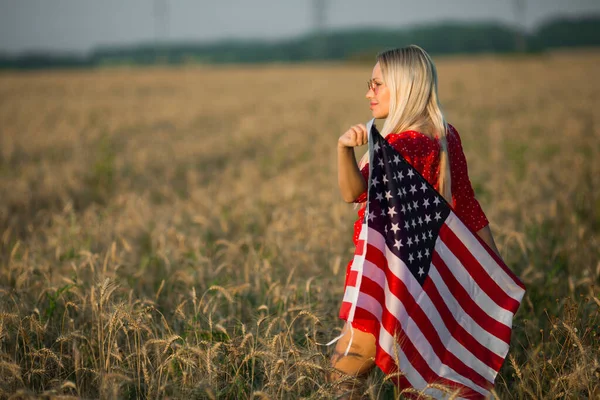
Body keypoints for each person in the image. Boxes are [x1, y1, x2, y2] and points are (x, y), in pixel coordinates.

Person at [331, 45, 501, 397]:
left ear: (404, 85)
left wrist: (343, 149)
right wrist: (493, 272)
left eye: (377, 84)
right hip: (430, 276)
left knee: (346, 370)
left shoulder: (397, 146)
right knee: (427, 376)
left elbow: (352, 193)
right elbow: (467, 206)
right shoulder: (445, 135)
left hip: (390, 278)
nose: (368, 93)